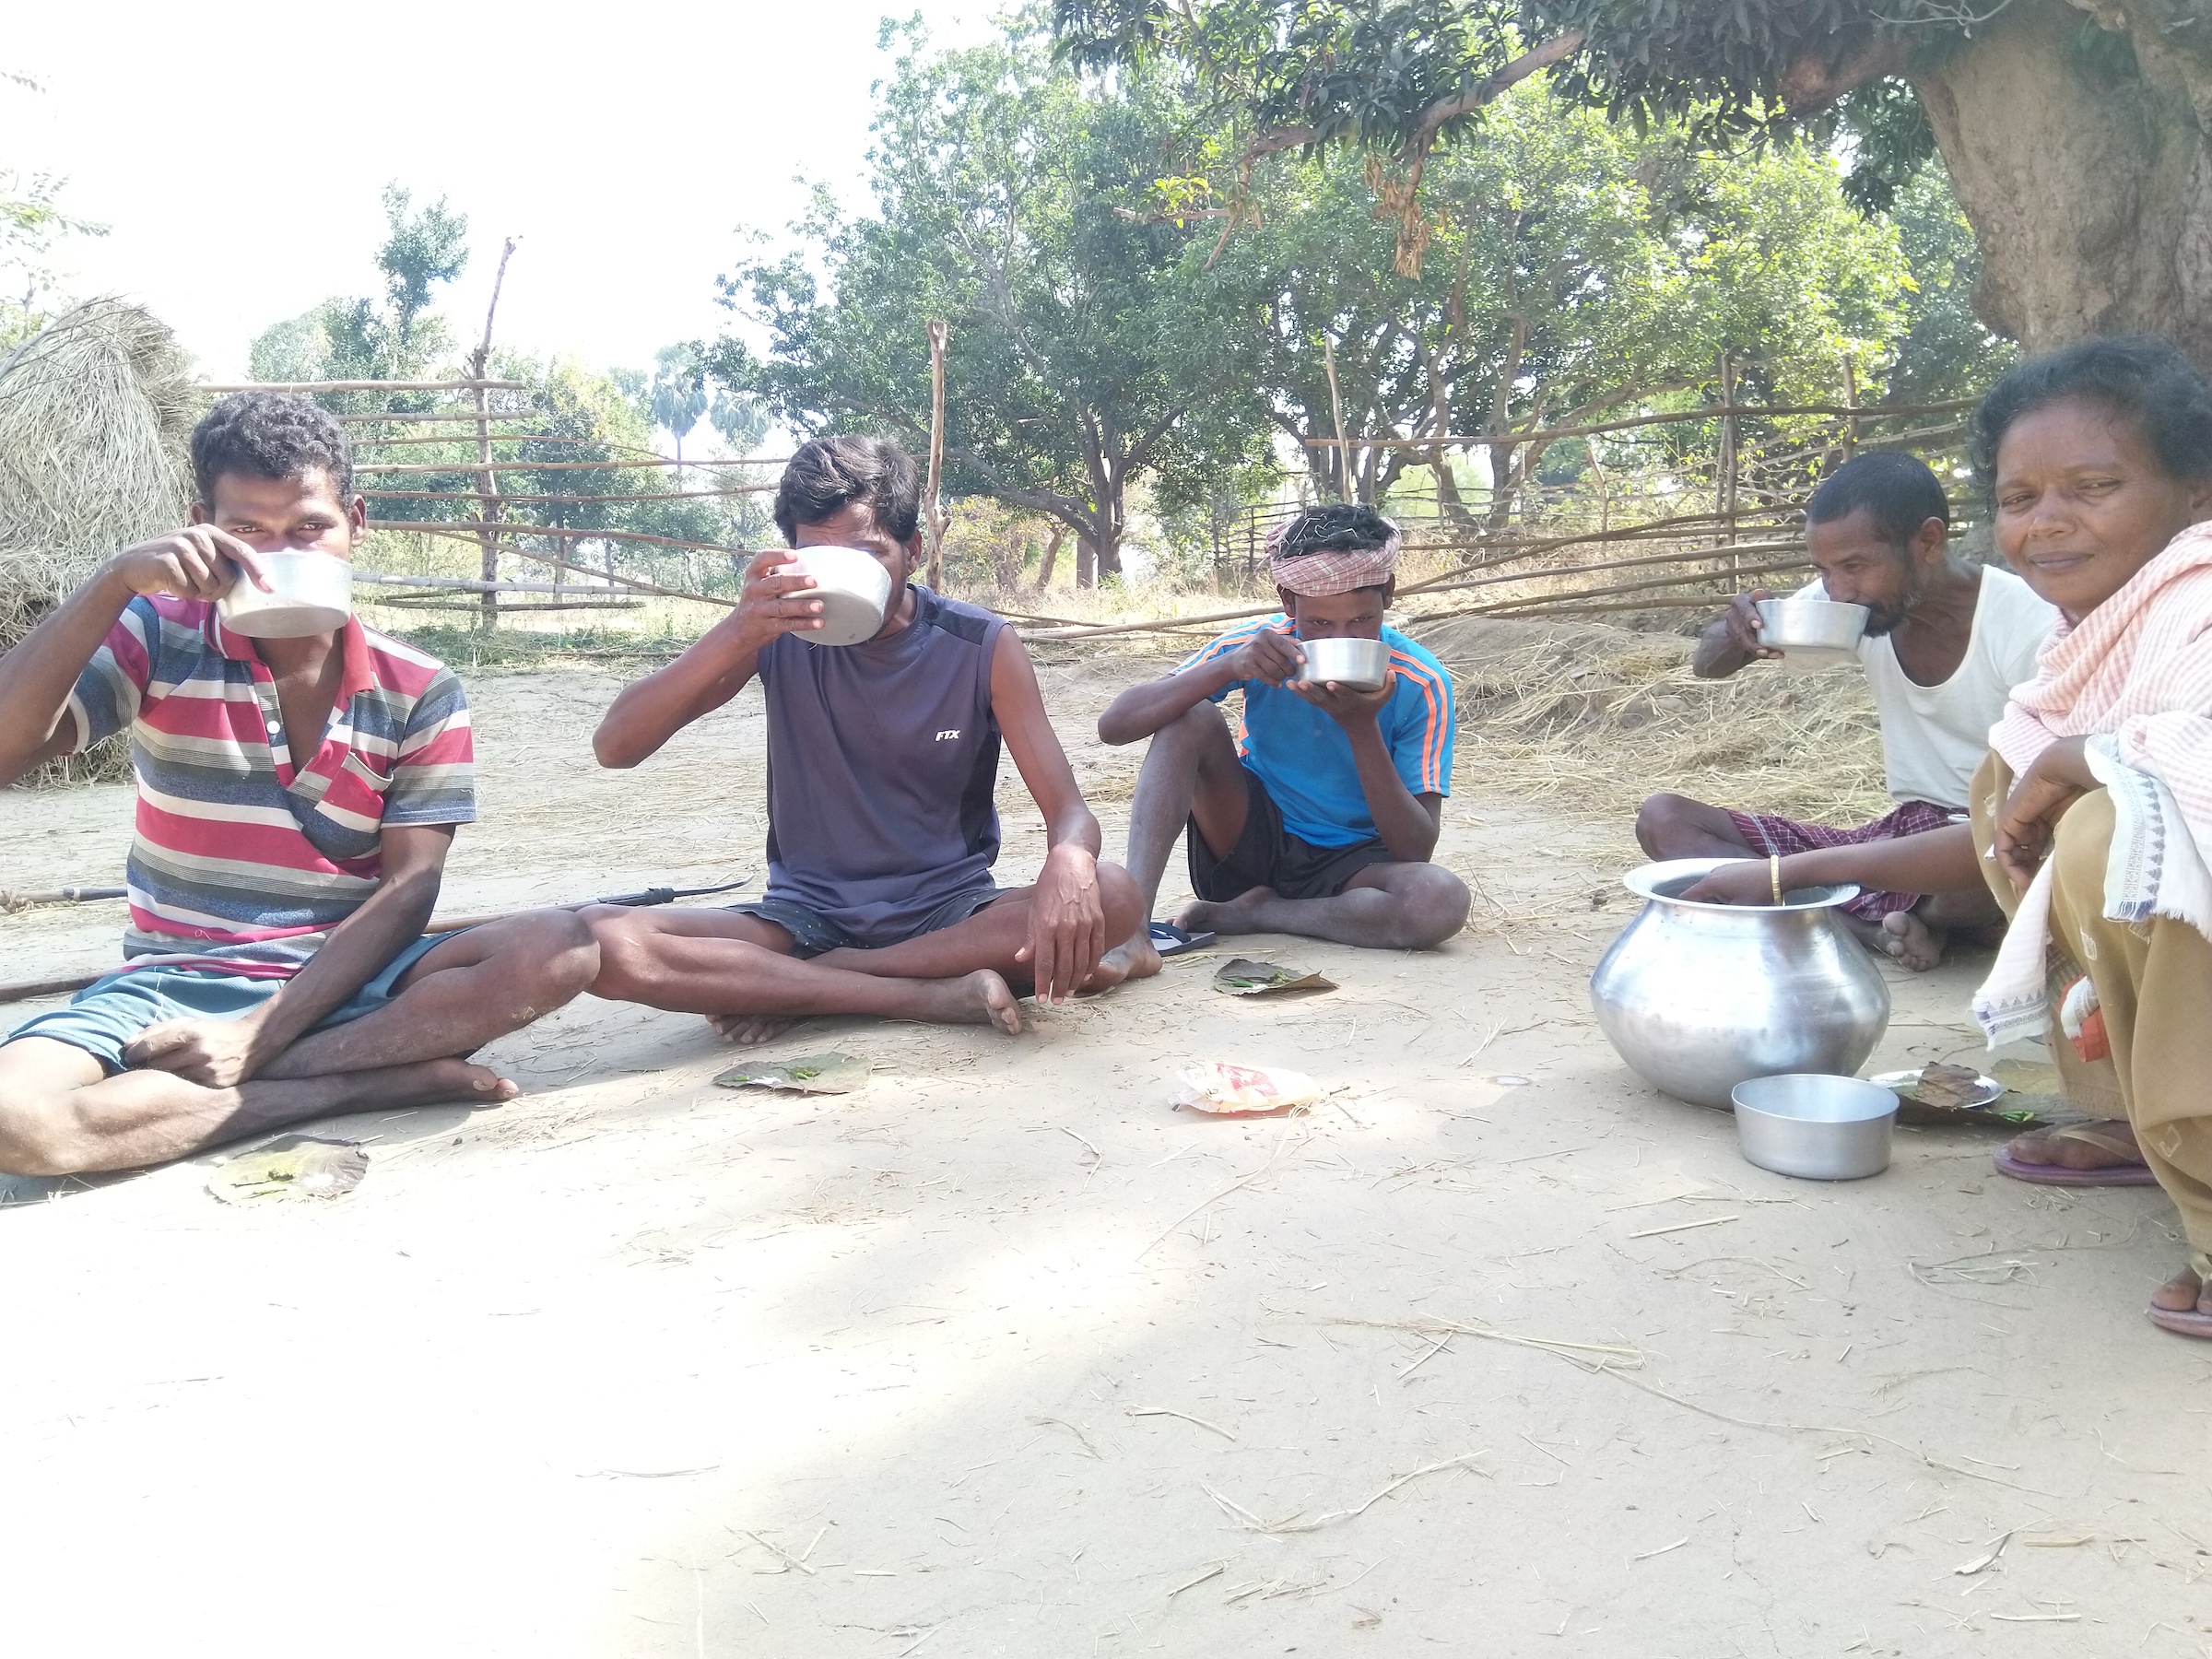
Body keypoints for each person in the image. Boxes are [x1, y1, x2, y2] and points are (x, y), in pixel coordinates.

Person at [1681, 335, 2212, 1341]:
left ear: (2195, 494)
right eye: (2020, 500)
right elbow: (1707, 673)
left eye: (2093, 487)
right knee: (2027, 807)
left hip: (2050, 861)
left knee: (2103, 824)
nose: (2048, 523)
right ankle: (2142, 1116)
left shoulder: (2177, 603)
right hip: (1924, 827)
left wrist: (2088, 762)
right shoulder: (2092, 627)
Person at [0, 394, 599, 1177]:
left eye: (309, 527)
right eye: (247, 529)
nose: (278, 553)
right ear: (200, 527)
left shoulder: (421, 688)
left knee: (560, 948)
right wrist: (114, 583)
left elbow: (412, 886)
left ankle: (230, 1078)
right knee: (15, 1122)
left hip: (347, 976)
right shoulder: (158, 637)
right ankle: (352, 1086)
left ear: (355, 520)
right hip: (173, 977)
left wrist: (265, 1031)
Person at [585, 434, 1142, 1042]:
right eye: (818, 557)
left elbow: (1070, 812)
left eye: (869, 554)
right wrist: (739, 632)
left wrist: (1069, 856)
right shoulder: (772, 632)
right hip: (803, 918)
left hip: (948, 917)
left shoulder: (979, 646)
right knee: (603, 939)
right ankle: (917, 995)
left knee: (1111, 892)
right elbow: (616, 746)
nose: (844, 580)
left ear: (914, 549)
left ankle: (815, 985)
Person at [1637, 452, 2056, 969]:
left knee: (1999, 869)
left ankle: (1868, 915)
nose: (1838, 590)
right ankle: (1872, 930)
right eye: (1824, 570)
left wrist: (1784, 876)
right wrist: (1739, 631)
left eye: (1855, 566)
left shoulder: (2028, 624)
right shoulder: (1859, 608)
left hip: (1987, 837)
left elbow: (2035, 820)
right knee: (1664, 819)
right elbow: (1707, 666)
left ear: (1928, 541)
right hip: (1901, 835)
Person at [1095, 502, 1468, 978]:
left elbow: (1416, 849)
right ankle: (1132, 930)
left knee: (1440, 900)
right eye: (1318, 625)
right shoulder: (1259, 647)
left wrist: (1361, 727)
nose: (1339, 639)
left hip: (1353, 869)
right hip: (1250, 840)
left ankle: (1261, 914)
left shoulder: (1420, 681)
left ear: (1389, 594)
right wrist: (1227, 668)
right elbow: (1115, 726)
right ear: (1288, 603)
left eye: (1360, 621)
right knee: (1189, 715)